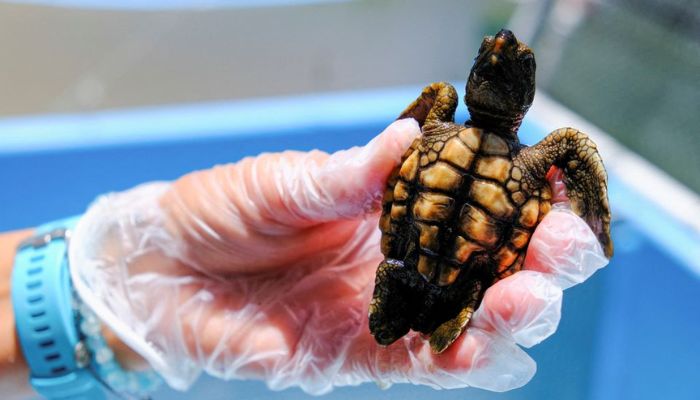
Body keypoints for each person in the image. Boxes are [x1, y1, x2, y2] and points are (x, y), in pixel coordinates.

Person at [0, 119, 608, 399]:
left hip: (408, 245)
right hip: (423, 250)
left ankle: (446, 305)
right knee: (447, 306)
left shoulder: (458, 129)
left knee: (472, 308)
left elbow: (411, 138)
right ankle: (442, 304)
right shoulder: (543, 153)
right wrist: (120, 285)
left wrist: (104, 292)